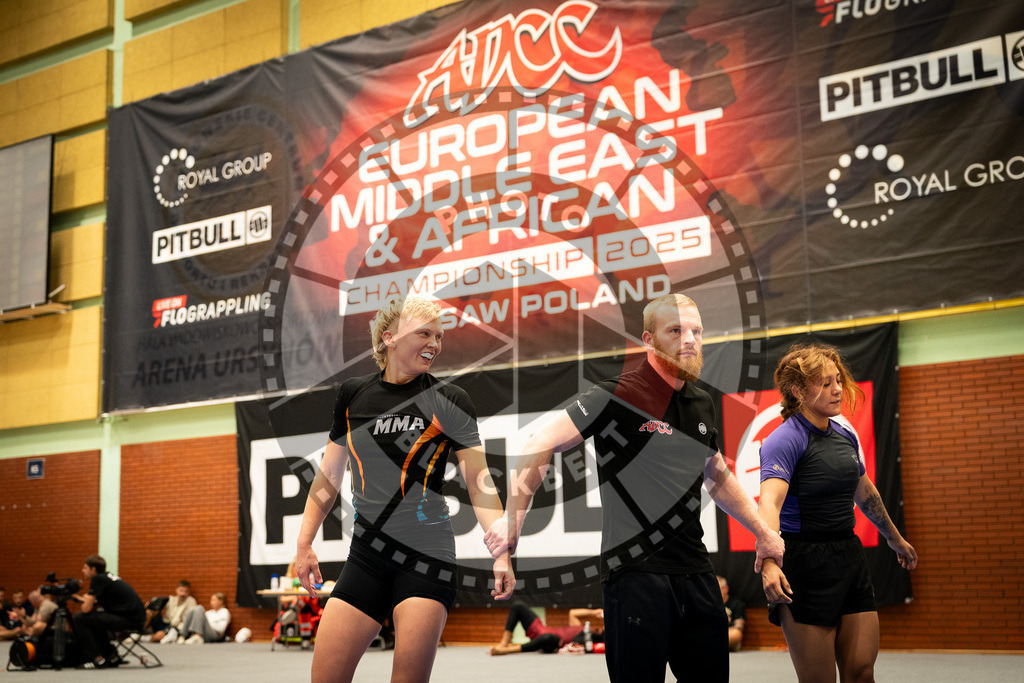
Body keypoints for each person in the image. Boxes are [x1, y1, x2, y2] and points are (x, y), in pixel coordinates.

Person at [488, 293, 785, 683]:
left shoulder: (700, 402)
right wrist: (513, 525)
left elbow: (717, 476)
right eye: (676, 330)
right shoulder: (618, 394)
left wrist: (764, 533)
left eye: (696, 330)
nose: (690, 340)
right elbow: (539, 442)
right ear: (649, 339)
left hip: (696, 574)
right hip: (636, 576)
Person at [294, 296, 515, 683]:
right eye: (424, 333)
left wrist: (502, 553)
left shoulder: (449, 400)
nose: (435, 343)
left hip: (427, 554)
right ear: (389, 338)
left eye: (439, 336)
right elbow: (328, 477)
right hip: (366, 554)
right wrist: (303, 543)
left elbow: (479, 483)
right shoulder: (352, 395)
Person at [758, 342, 918, 683]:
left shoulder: (844, 433)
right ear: (799, 391)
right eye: (826, 383)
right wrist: (770, 560)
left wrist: (895, 538)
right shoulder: (784, 440)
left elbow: (865, 492)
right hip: (804, 564)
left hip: (848, 555)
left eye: (838, 380)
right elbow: (769, 502)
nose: (837, 389)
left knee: (861, 672)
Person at [72, 554, 146, 669]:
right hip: (135, 618)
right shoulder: (107, 577)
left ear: (93, 570)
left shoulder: (97, 579)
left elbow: (86, 609)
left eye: (85, 568)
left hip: (129, 620)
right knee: (95, 619)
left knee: (79, 618)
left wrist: (82, 600)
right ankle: (110, 655)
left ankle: (97, 658)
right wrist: (83, 599)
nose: (82, 571)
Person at [487, 602, 604, 655]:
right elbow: (573, 613)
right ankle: (504, 643)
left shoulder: (590, 637)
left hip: (552, 642)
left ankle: (505, 651)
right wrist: (594, 612)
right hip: (541, 630)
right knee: (518, 606)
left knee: (549, 637)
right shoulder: (584, 627)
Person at [717, 575, 746, 652]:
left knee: (736, 634)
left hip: (728, 635)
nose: (715, 592)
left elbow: (739, 626)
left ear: (726, 589)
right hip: (712, 634)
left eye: (718, 589)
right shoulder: (708, 604)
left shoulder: (736, 604)